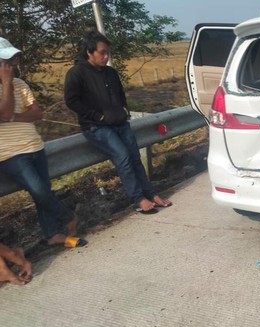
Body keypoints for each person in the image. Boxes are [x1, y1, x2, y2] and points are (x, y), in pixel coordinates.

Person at [64, 31, 171, 214]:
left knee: (135, 158)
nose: (106, 57)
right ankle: (139, 199)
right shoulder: (77, 73)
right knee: (123, 157)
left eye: (108, 53)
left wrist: (124, 111)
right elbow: (72, 101)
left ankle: (151, 194)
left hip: (120, 123)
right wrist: (98, 117)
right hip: (97, 127)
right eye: (102, 53)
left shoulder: (111, 73)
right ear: (89, 52)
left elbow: (121, 95)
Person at [0, 37, 84, 248]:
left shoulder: (20, 84)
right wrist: (7, 84)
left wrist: (11, 116)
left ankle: (52, 234)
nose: (11, 65)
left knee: (43, 192)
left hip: (35, 146)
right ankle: (68, 217)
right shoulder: (12, 84)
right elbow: (5, 110)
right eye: (6, 61)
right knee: (38, 190)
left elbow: (38, 113)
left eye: (13, 60)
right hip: (10, 154)